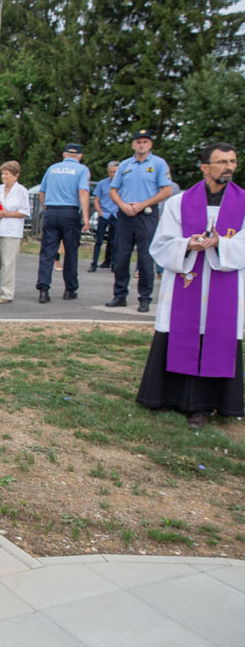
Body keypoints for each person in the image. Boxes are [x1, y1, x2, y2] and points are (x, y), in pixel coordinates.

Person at [137, 143, 244, 429]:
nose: (229, 167)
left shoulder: (244, 203)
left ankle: (205, 406)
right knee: (179, 332)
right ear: (205, 167)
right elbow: (160, 244)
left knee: (216, 336)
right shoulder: (179, 203)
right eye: (222, 162)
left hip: (224, 286)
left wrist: (221, 243)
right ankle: (166, 396)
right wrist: (187, 244)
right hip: (186, 283)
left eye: (232, 161)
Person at [107, 129, 174, 312]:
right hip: (126, 214)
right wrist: (122, 205)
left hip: (146, 213)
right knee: (121, 256)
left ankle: (145, 298)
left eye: (145, 142)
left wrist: (143, 204)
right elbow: (113, 190)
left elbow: (166, 191)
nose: (141, 145)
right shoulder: (125, 165)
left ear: (150, 144)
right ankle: (119, 295)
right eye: (138, 142)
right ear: (133, 144)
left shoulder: (158, 164)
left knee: (145, 257)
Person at [36, 143, 91, 302]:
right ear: (80, 156)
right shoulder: (82, 170)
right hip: (70, 212)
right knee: (71, 252)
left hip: (52, 211)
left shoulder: (52, 168)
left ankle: (43, 290)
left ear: (64, 154)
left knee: (47, 252)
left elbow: (42, 192)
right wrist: (86, 217)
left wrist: (46, 208)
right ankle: (70, 289)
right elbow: (83, 191)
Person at [0, 161, 30, 303]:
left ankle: (6, 293)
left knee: (8, 264)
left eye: (7, 174)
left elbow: (24, 212)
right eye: (3, 174)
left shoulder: (21, 191)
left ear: (15, 176)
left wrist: (6, 213)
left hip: (11, 231)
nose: (4, 176)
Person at [89, 161, 120, 273]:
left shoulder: (122, 184)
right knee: (99, 241)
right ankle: (94, 263)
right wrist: (100, 211)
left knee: (114, 241)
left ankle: (113, 263)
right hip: (104, 214)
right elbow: (96, 199)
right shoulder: (102, 183)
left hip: (116, 214)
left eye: (115, 172)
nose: (112, 174)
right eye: (110, 172)